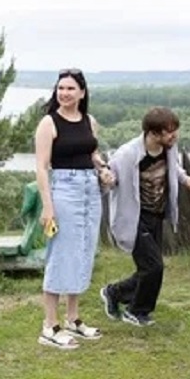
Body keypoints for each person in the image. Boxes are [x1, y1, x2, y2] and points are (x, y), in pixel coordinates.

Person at [34, 68, 114, 349]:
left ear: (82, 92)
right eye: (60, 88)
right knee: (62, 253)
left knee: (83, 250)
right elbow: (42, 167)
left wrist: (103, 168)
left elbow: (91, 152)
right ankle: (49, 325)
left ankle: (73, 318)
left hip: (90, 189)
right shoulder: (48, 123)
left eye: (70, 89)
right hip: (63, 190)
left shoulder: (89, 121)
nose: (64, 93)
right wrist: (48, 206)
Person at [100, 107, 190, 326]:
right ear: (153, 134)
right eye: (169, 132)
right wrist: (107, 178)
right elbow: (111, 174)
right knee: (154, 267)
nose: (175, 136)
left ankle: (114, 293)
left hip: (157, 214)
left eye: (175, 131)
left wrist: (186, 179)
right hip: (134, 218)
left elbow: (173, 167)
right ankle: (136, 311)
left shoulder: (168, 149)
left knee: (148, 268)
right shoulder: (128, 154)